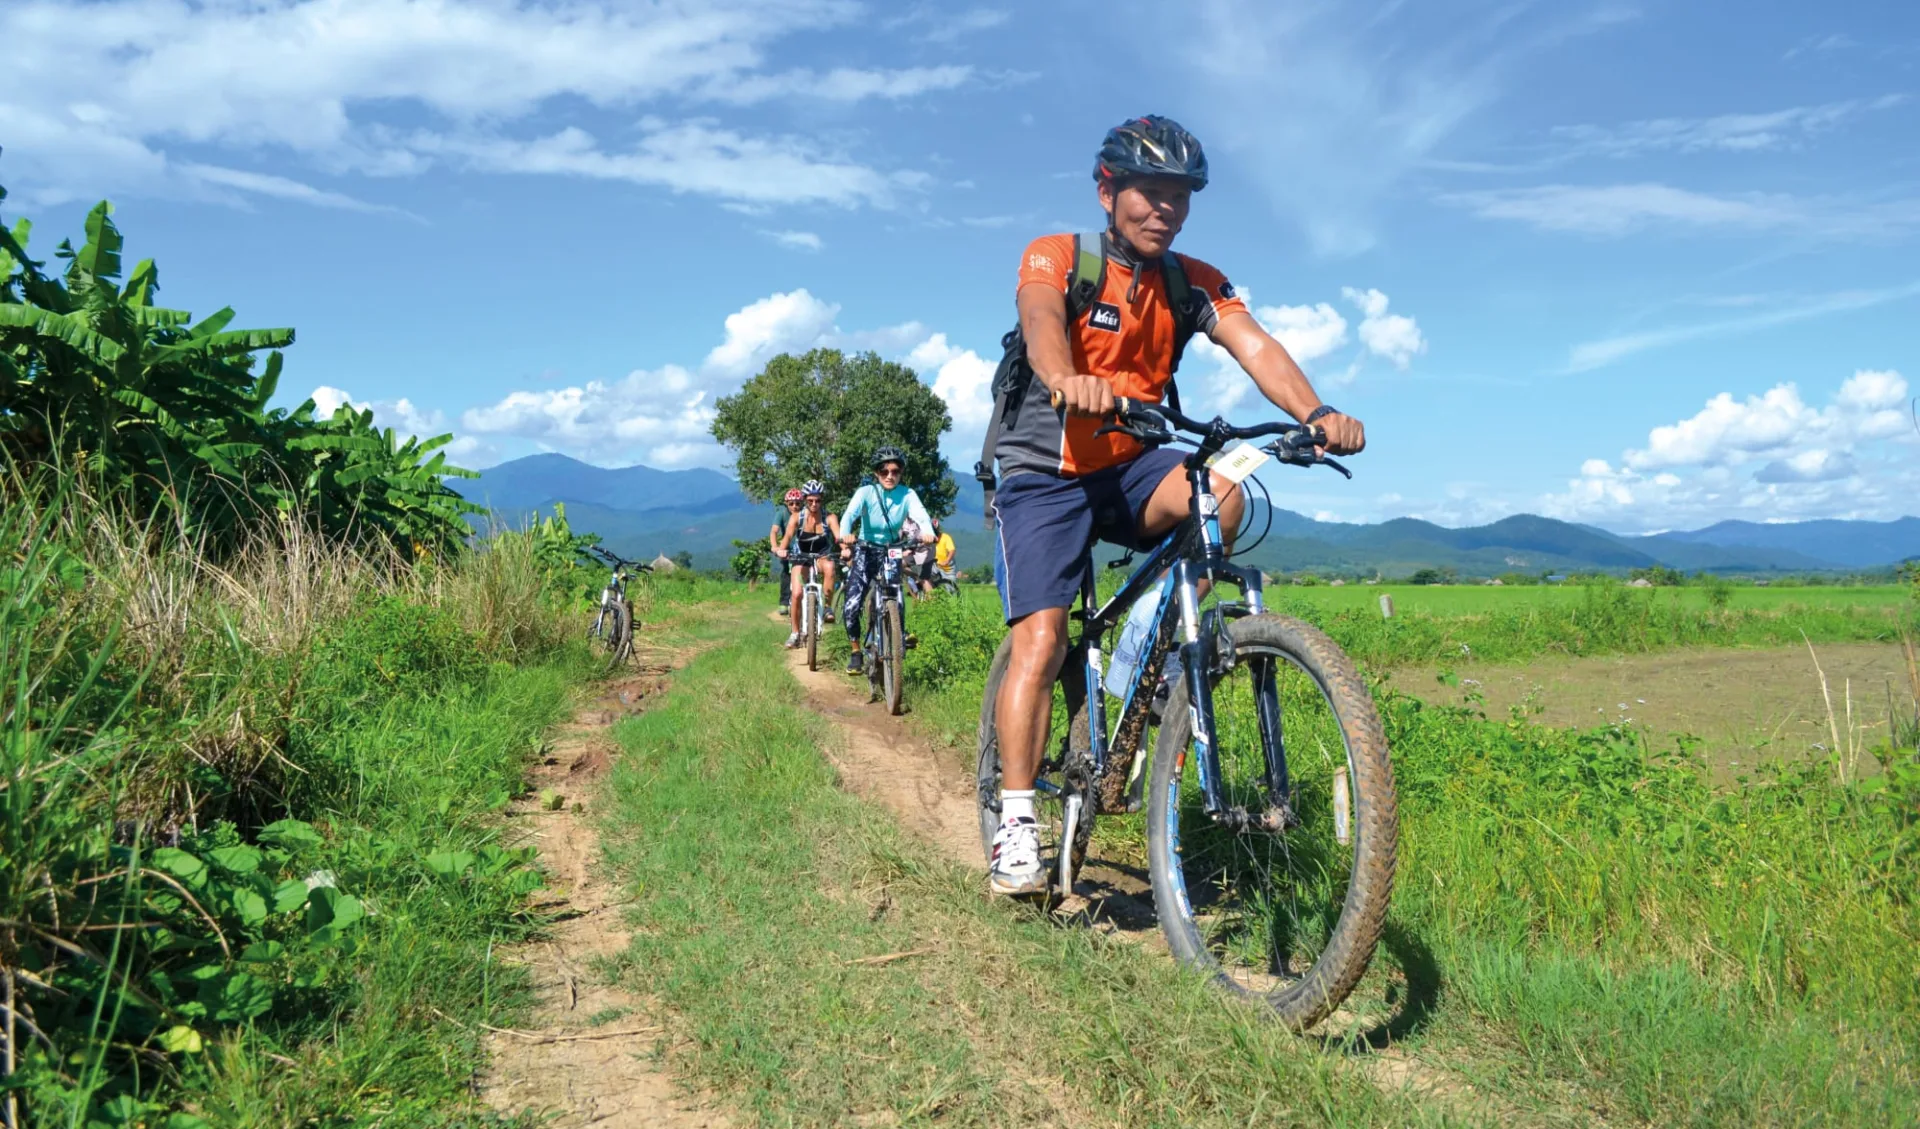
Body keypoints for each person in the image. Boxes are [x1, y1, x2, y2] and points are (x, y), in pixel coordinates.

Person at [985, 115, 1366, 896]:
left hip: (1128, 465)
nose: (1164, 209)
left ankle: (1156, 661)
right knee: (1044, 636)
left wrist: (1316, 414)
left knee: (1223, 490)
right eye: (1148, 193)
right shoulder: (1058, 256)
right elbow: (1041, 324)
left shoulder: (1190, 279)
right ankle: (1018, 824)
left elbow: (1252, 342)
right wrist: (1068, 378)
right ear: (1107, 190)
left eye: (1179, 197)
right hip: (1043, 469)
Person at [838, 446, 936, 674]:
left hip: (892, 549)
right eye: (884, 471)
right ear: (876, 473)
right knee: (852, 604)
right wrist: (845, 534)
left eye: (895, 471)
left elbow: (921, 514)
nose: (890, 476)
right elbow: (849, 516)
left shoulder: (908, 494)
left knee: (896, 594)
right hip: (865, 549)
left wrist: (927, 531)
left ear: (901, 473)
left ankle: (898, 633)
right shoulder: (866, 493)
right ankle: (855, 651)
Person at [779, 480, 842, 646]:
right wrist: (781, 549)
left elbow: (839, 536)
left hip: (822, 555)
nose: (814, 504)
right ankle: (794, 633)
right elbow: (787, 537)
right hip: (801, 556)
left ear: (822, 500)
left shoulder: (829, 517)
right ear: (805, 500)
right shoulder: (796, 518)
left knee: (830, 567)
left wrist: (845, 548)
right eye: (810, 501)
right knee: (797, 593)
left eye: (818, 500)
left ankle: (828, 607)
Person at [770, 489, 802, 610]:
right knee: (786, 573)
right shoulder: (782, 513)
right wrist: (775, 547)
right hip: (787, 549)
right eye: (791, 503)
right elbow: (774, 531)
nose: (794, 506)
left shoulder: (805, 513)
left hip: (803, 548)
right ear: (786, 503)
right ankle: (784, 602)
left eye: (798, 503)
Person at [931, 518, 958, 588]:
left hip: (947, 567)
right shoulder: (928, 539)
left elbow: (952, 550)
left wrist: (947, 560)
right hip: (935, 565)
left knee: (951, 588)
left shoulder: (945, 537)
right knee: (924, 578)